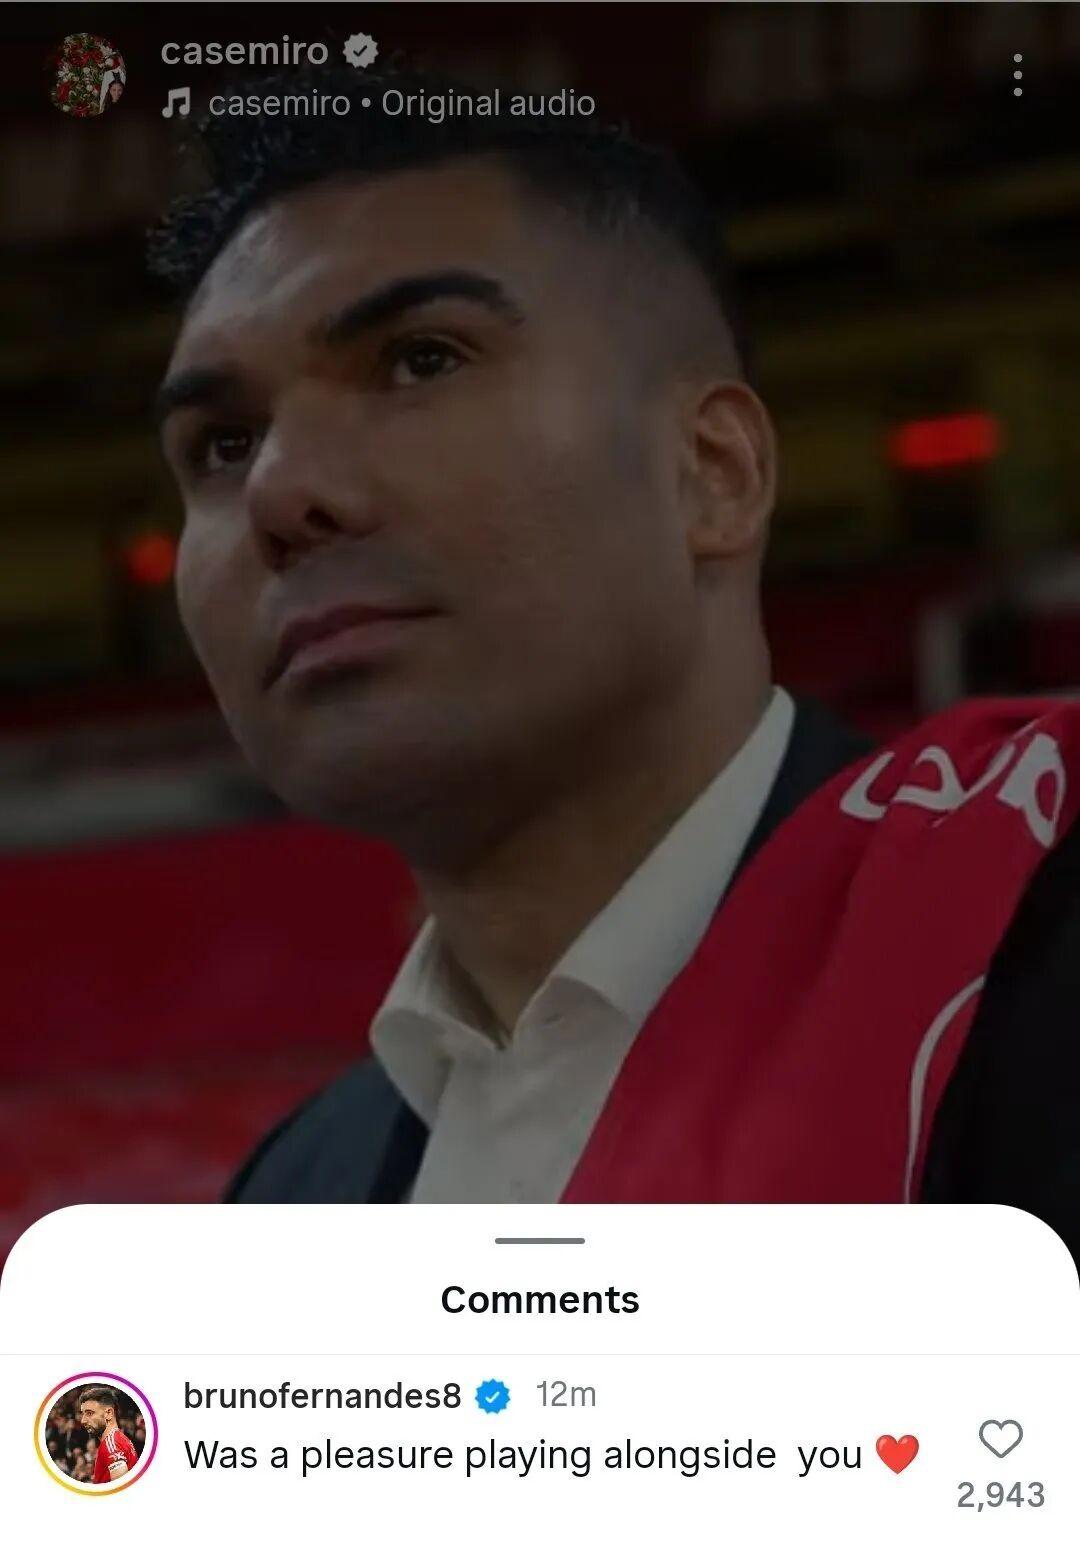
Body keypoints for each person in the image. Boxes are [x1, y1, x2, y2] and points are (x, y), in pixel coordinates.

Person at [149, 68, 1080, 1255]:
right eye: (223, 443)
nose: (280, 493)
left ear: (714, 473)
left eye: (421, 360)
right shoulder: (288, 1199)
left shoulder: (1033, 960)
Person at [77, 1387, 138, 1484]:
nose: (83, 1420)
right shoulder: (118, 1439)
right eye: (83, 1414)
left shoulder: (111, 1444)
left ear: (109, 1413)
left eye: (89, 1413)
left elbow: (120, 1487)